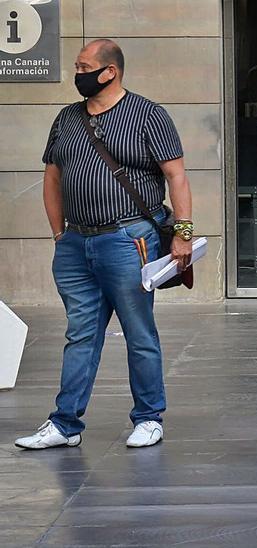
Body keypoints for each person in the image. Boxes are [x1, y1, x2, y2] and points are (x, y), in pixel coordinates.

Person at [16, 39, 193, 450]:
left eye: (83, 66)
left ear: (109, 71)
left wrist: (183, 233)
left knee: (138, 331)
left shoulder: (148, 115)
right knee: (80, 334)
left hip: (129, 240)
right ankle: (65, 424)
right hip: (76, 243)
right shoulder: (66, 119)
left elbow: (177, 176)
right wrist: (60, 235)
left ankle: (149, 418)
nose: (77, 73)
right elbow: (53, 178)